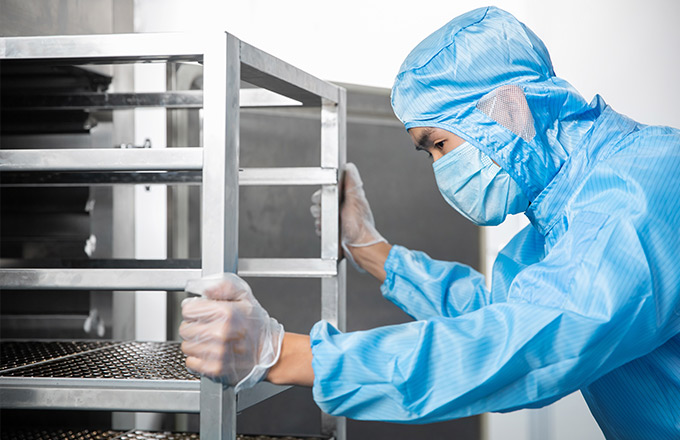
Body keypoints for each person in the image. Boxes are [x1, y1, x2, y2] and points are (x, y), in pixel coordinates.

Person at [179, 6, 680, 439]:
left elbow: (525, 340)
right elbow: (490, 312)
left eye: (439, 144)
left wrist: (283, 355)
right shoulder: (556, 223)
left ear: (507, 109)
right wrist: (369, 247)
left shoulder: (644, 186)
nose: (441, 169)